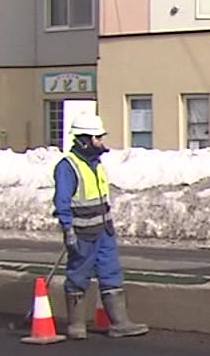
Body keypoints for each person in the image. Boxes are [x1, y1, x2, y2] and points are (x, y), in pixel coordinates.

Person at [53, 111, 149, 340]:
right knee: (79, 274)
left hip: (104, 230)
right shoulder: (68, 166)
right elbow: (62, 201)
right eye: (97, 138)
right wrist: (68, 230)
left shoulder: (96, 164)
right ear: (84, 139)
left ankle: (120, 323)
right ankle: (76, 325)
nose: (101, 142)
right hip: (83, 232)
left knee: (111, 272)